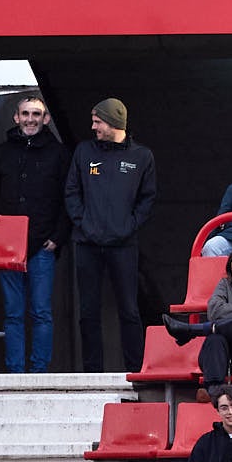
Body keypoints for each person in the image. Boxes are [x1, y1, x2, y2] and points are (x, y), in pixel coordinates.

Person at [64, 98, 157, 372]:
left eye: (98, 122)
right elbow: (71, 192)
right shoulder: (83, 151)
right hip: (87, 243)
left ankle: (136, 370)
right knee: (88, 311)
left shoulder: (142, 156)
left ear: (114, 123)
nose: (93, 127)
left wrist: (128, 226)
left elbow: (148, 199)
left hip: (124, 244)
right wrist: (84, 223)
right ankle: (92, 372)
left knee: (129, 310)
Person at [0, 95, 69, 374]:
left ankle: (39, 371)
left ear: (45, 118)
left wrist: (57, 238)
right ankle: (15, 372)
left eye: (36, 114)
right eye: (25, 114)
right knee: (12, 314)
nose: (30, 119)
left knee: (41, 313)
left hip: (42, 246)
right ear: (16, 118)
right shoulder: (0, 154)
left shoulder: (59, 155)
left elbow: (66, 200)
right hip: (7, 248)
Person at [162, 246, 232, 401]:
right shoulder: (225, 285)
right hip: (226, 356)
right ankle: (214, 392)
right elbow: (214, 311)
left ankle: (193, 330)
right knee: (215, 338)